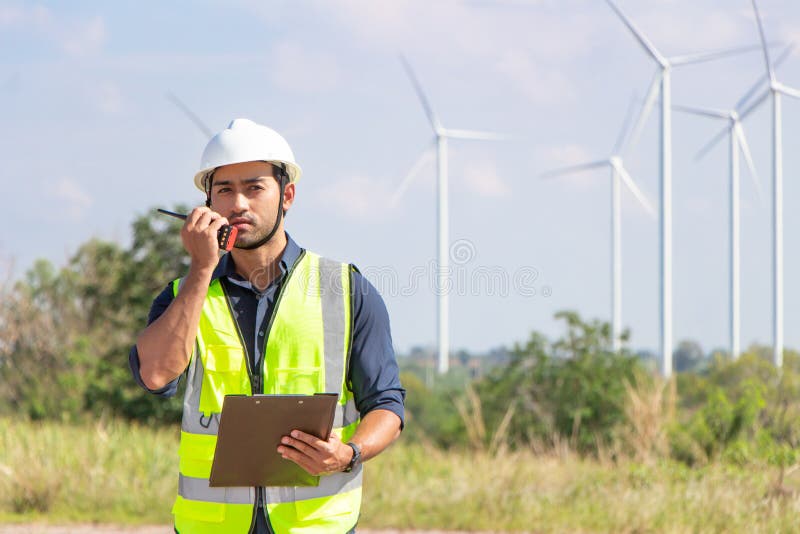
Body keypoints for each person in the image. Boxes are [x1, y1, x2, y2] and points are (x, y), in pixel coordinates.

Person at [129, 118, 405, 534]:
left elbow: (387, 405)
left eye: (254, 188)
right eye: (224, 190)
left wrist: (349, 453)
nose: (238, 203)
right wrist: (202, 268)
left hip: (314, 526)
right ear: (207, 203)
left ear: (287, 195)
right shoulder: (183, 295)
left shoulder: (347, 290)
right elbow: (154, 375)